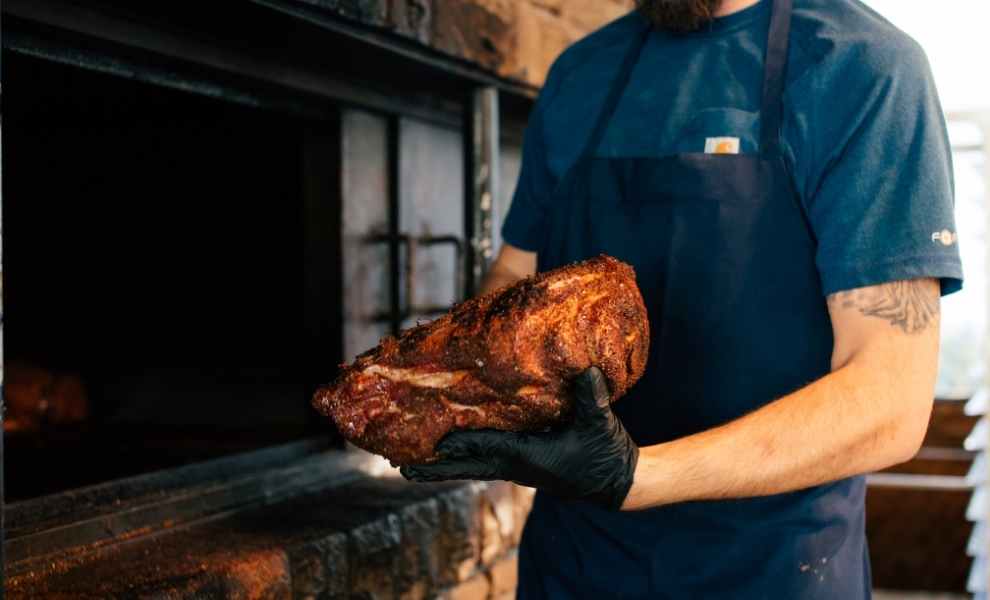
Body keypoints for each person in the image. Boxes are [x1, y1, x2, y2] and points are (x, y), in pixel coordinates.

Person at [402, 0, 963, 596]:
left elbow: (890, 402)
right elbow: (515, 274)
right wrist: (445, 387)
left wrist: (635, 475)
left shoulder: (864, 67)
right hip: (574, 568)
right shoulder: (581, 72)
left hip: (771, 572)